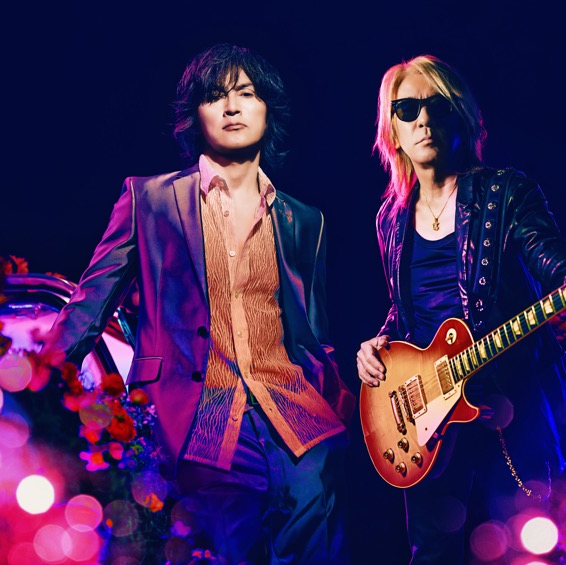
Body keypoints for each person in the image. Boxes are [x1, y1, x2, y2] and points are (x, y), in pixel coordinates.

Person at [43, 43, 354, 564]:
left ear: (268, 109)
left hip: (301, 424)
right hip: (197, 422)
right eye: (215, 96)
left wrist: (340, 414)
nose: (231, 107)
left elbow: (314, 336)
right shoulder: (149, 199)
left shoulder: (305, 220)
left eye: (246, 93)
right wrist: (34, 384)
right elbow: (89, 307)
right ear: (196, 115)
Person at [356, 54, 566, 563]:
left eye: (436, 106)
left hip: (506, 401)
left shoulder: (505, 192)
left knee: (525, 541)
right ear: (392, 130)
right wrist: (378, 343)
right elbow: (406, 309)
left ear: (459, 116)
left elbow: (547, 253)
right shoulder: (390, 219)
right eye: (406, 109)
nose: (423, 119)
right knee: (433, 550)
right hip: (426, 412)